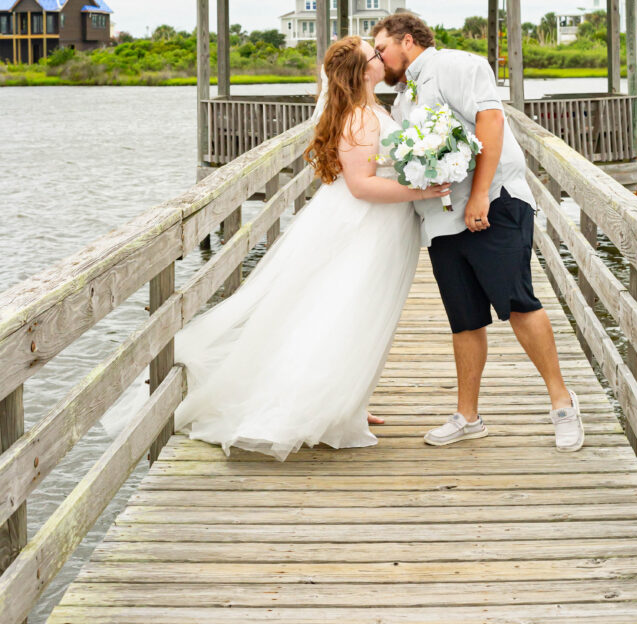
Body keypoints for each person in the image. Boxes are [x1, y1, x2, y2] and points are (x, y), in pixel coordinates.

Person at [160, 35, 449, 461]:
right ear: (362, 70)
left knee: (358, 312)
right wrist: (420, 192)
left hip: (378, 226)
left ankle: (347, 400)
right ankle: (308, 406)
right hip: (363, 226)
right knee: (343, 310)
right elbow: (361, 185)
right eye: (373, 55)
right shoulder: (361, 119)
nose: (381, 58)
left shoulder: (371, 109)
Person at [372, 12, 585, 452]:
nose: (379, 58)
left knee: (517, 302)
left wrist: (480, 195)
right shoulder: (402, 101)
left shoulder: (454, 65)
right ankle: (467, 416)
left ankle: (563, 404)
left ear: (407, 41)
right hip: (441, 219)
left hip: (492, 204)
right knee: (464, 319)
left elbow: (491, 121)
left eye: (381, 49)